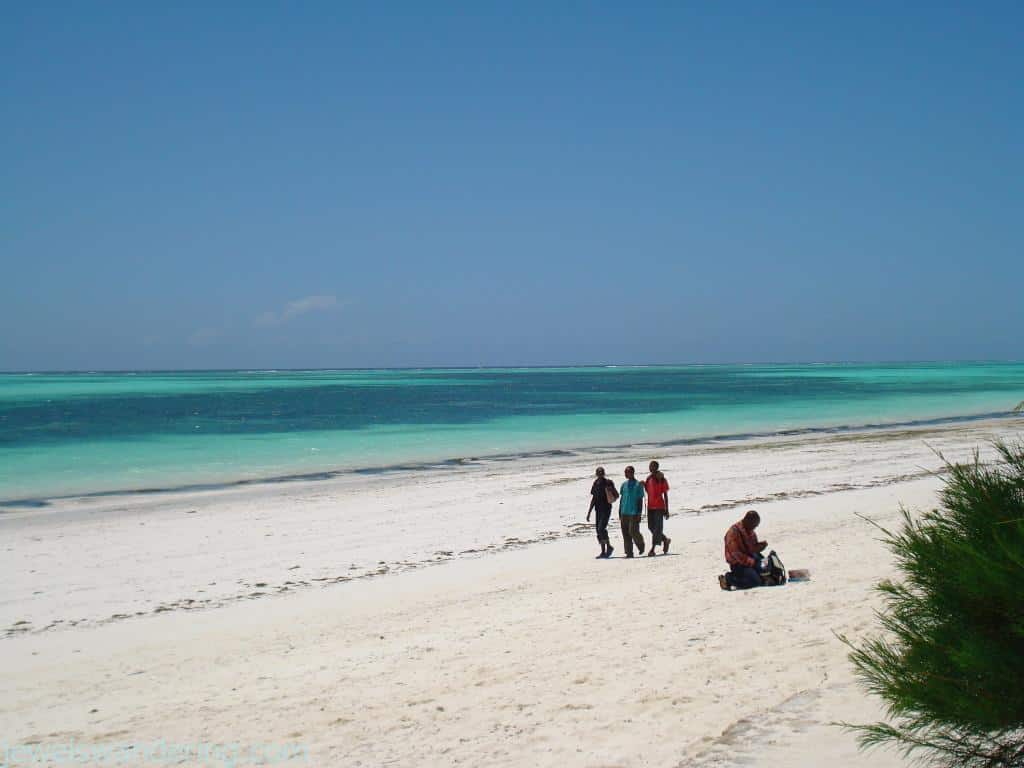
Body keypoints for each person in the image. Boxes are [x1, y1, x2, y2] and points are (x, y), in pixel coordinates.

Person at [719, 510, 769, 590]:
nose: (755, 528)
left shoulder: (750, 530)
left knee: (766, 567)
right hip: (738, 564)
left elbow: (752, 548)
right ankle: (728, 579)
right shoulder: (733, 533)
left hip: (749, 559)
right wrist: (753, 562)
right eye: (754, 525)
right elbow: (737, 555)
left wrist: (760, 547)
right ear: (747, 521)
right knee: (755, 582)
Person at [586, 467, 616, 559]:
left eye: (602, 472)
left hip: (606, 509)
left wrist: (611, 489)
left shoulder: (608, 482)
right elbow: (594, 499)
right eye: (598, 472)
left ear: (604, 473)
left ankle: (609, 547)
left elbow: (616, 495)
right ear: (596, 474)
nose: (600, 473)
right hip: (598, 509)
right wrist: (589, 512)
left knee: (601, 528)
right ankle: (603, 551)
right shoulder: (595, 483)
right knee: (598, 530)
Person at [643, 460, 671, 556]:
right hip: (650, 507)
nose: (651, 468)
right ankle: (665, 540)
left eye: (653, 466)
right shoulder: (648, 478)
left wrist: (667, 510)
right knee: (651, 527)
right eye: (650, 466)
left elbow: (665, 495)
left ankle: (652, 549)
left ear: (657, 467)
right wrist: (644, 485)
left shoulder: (662, 479)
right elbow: (648, 491)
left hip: (659, 507)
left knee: (657, 528)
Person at [617, 466, 646, 558]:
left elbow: (640, 500)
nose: (626, 474)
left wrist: (639, 514)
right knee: (625, 533)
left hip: (634, 513)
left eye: (628, 472)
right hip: (624, 512)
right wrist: (619, 511)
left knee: (633, 531)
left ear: (633, 473)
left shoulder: (638, 485)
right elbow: (622, 499)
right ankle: (629, 552)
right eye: (625, 472)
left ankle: (641, 544)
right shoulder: (623, 485)